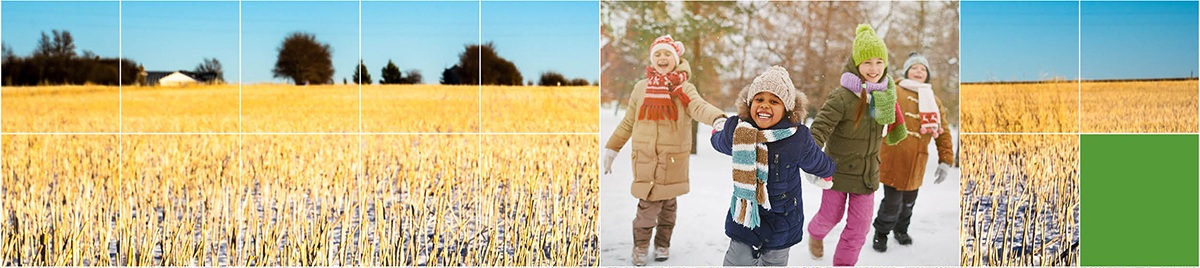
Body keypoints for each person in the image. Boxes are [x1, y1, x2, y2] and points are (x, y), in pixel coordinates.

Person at [601, 34, 727, 266]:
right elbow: (628, 123)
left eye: (667, 53)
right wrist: (612, 149)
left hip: (673, 161)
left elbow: (698, 107)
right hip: (646, 160)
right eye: (657, 54)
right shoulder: (641, 88)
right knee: (646, 210)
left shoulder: (683, 88)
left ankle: (662, 244)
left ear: (676, 58)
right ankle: (640, 246)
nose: (662, 58)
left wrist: (717, 119)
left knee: (668, 209)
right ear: (651, 59)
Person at [709, 66, 837, 266]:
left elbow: (816, 161)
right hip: (747, 213)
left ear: (786, 108)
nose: (765, 106)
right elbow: (722, 143)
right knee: (736, 261)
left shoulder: (797, 137)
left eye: (774, 101)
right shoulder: (740, 130)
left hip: (783, 218)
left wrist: (828, 169)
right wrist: (717, 135)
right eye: (759, 99)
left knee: (774, 262)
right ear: (750, 103)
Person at [805, 24, 907, 266]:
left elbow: (892, 128)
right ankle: (815, 233)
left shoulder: (886, 95)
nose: (874, 69)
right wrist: (811, 160)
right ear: (856, 64)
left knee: (859, 229)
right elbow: (819, 128)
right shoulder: (842, 96)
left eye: (879, 62)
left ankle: (844, 263)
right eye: (867, 63)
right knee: (830, 217)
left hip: (867, 174)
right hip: (837, 171)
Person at [871, 52, 956, 252]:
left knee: (909, 202)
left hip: (917, 161)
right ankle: (881, 233)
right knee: (891, 202)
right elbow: (877, 115)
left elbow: (943, 133)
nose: (919, 72)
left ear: (927, 75)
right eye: (915, 68)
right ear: (907, 71)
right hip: (893, 156)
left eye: (923, 69)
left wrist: (945, 160)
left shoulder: (933, 99)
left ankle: (901, 230)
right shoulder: (894, 90)